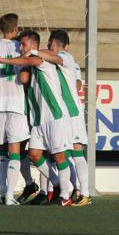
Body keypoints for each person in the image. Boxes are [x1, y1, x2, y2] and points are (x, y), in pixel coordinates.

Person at [0, 30, 75, 206]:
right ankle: (57, 184)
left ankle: (65, 195)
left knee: (59, 157)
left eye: (24, 44)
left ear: (34, 46)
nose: (21, 47)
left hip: (54, 116)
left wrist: (3, 60)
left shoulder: (41, 59)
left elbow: (29, 59)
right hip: (39, 120)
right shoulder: (31, 62)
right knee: (34, 154)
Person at [0, 14, 37, 205]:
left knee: (1, 151)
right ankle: (10, 196)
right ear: (15, 28)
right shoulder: (21, 46)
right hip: (16, 103)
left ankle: (3, 192)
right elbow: (24, 78)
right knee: (14, 150)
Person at [48, 29, 91, 206]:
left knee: (76, 152)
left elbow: (78, 83)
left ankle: (86, 193)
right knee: (65, 154)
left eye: (50, 44)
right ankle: (70, 192)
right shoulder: (57, 60)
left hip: (71, 112)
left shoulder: (65, 57)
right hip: (63, 114)